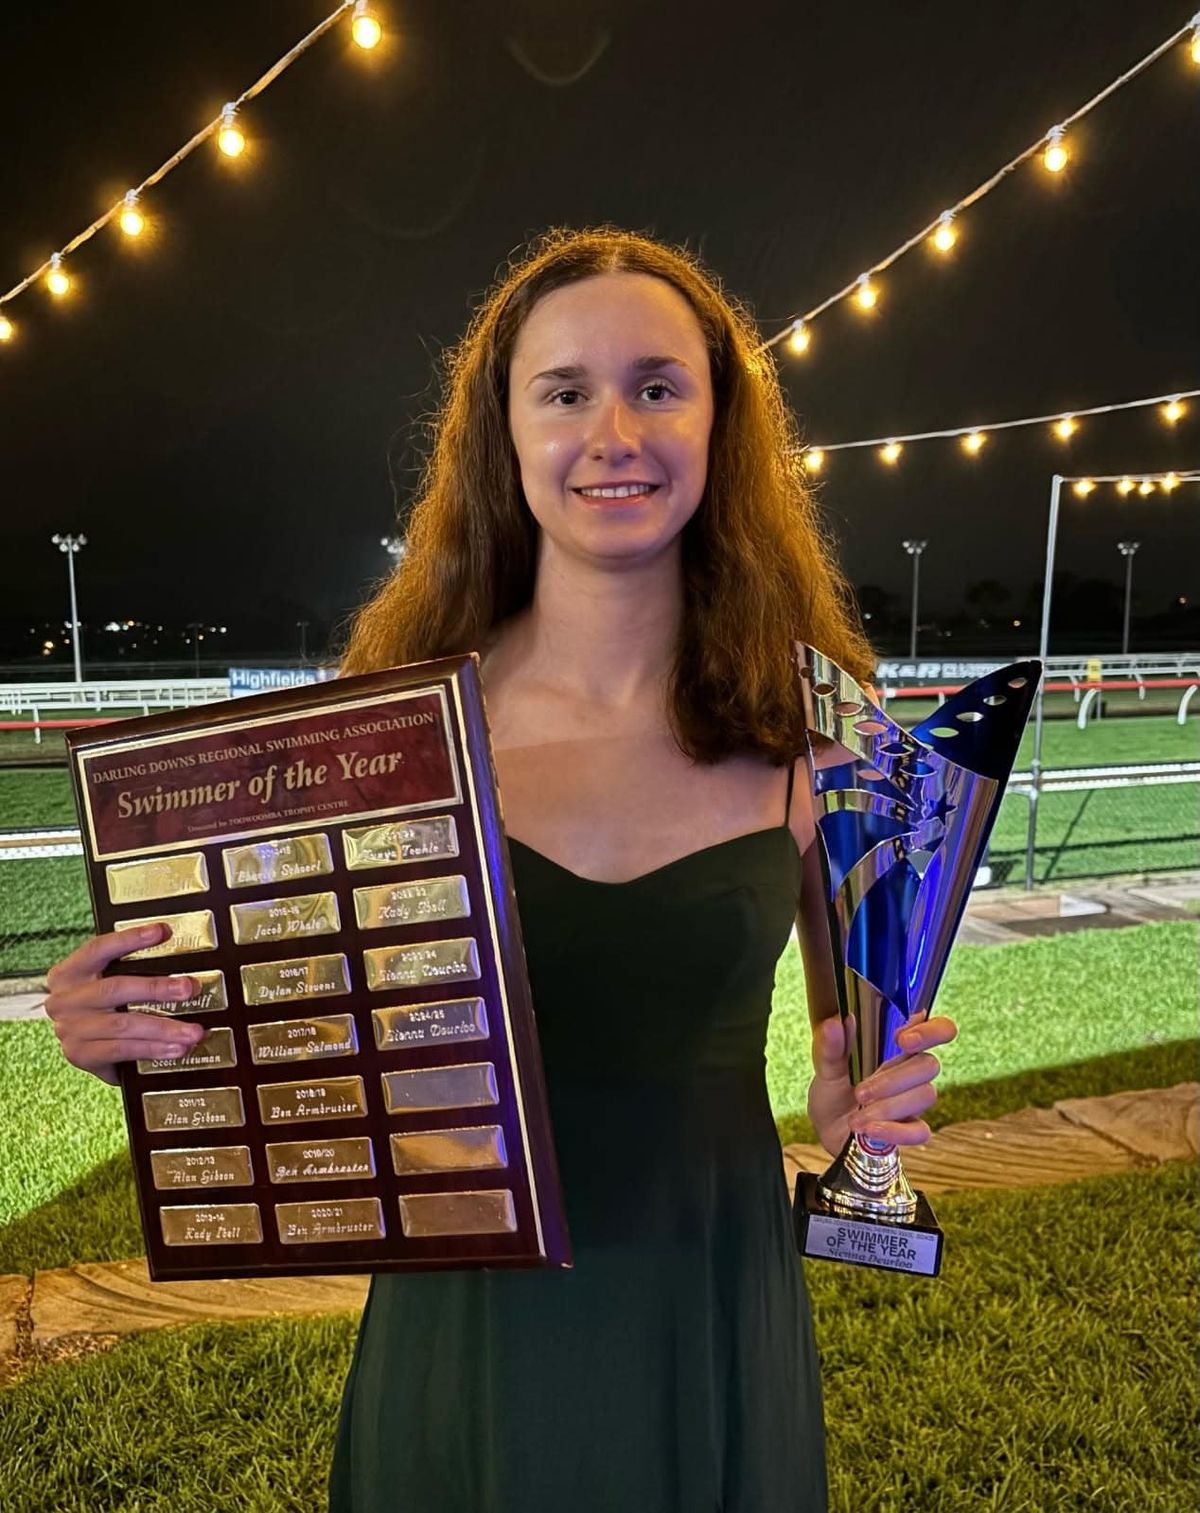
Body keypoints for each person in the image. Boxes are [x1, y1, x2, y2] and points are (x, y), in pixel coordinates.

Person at [44, 226, 957, 1512]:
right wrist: (132, 1030)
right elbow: (293, 1021)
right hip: (466, 1320)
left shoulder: (821, 732)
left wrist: (854, 1094)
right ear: (506, 433)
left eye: (657, 386)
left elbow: (838, 1042)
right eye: (565, 392)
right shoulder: (394, 727)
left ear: (720, 423)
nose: (613, 435)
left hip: (702, 1299)